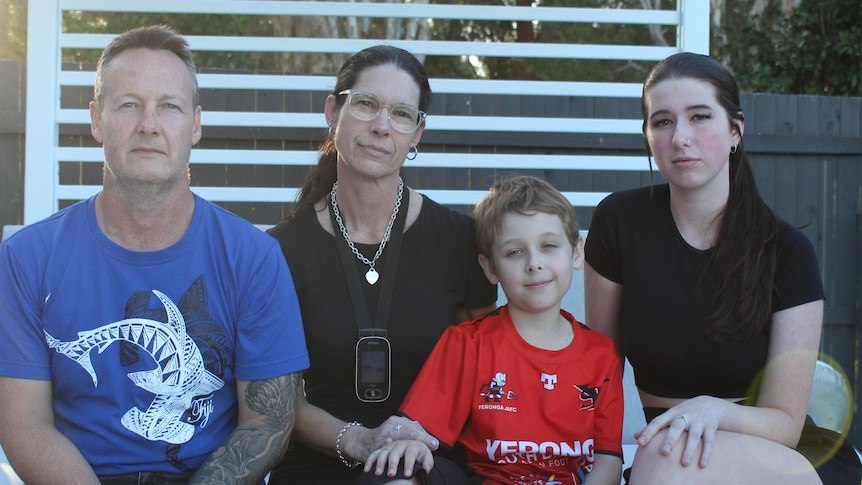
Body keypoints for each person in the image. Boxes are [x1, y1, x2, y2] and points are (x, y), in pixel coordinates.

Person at [0, 25, 309, 485]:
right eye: (129, 105)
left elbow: (267, 422)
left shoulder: (254, 257)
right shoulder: (27, 258)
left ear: (196, 124)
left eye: (169, 106)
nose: (149, 124)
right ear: (96, 119)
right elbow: (23, 423)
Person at [584, 52, 862, 484]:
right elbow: (598, 369)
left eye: (699, 117)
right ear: (647, 136)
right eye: (662, 122)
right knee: (664, 457)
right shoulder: (618, 222)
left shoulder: (786, 251)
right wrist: (603, 459)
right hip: (671, 453)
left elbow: (786, 423)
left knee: (663, 457)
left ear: (735, 130)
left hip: (775, 453)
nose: (680, 138)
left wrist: (710, 408)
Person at [266, 45, 498, 484]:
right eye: (366, 104)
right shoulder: (279, 251)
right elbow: (273, 399)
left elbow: (484, 376)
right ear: (333, 111)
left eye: (401, 114)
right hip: (320, 460)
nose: (380, 126)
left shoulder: (461, 241)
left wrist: (417, 440)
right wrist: (356, 440)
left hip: (430, 453)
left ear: (418, 133)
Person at [370, 175, 624, 485]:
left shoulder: (601, 355)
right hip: (478, 479)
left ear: (575, 252)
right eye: (514, 252)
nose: (534, 263)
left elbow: (607, 460)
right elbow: (418, 432)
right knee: (396, 470)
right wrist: (407, 440)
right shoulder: (467, 344)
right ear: (490, 267)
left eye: (548, 245)